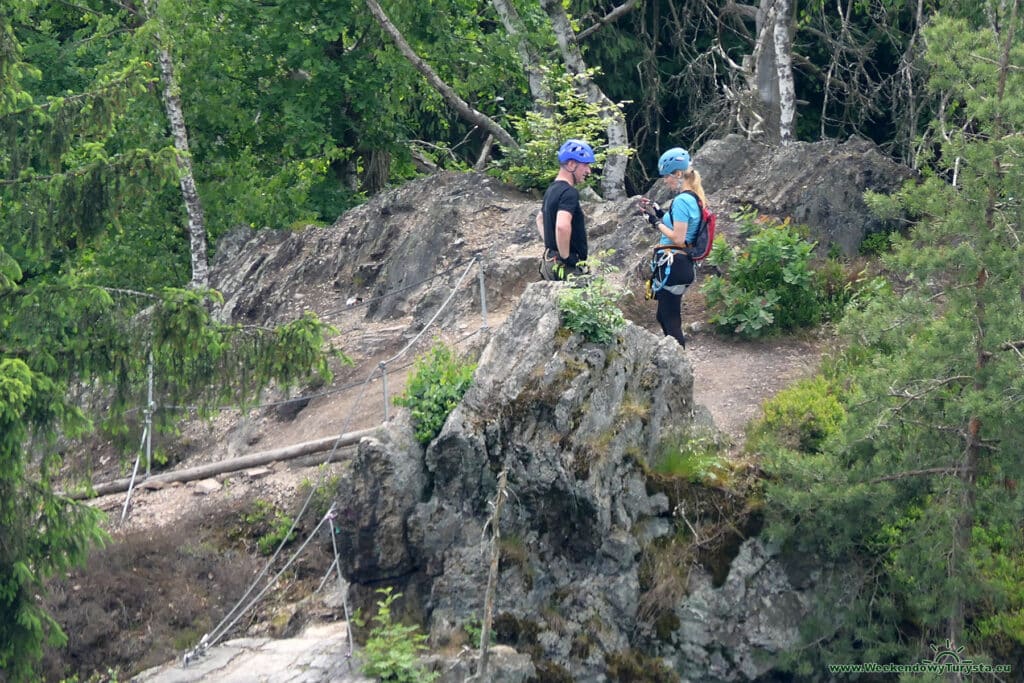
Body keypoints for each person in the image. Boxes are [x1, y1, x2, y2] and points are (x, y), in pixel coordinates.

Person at [637, 147, 707, 348]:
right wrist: (658, 212)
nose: (665, 181)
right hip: (680, 265)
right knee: (664, 315)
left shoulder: (682, 200)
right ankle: (676, 362)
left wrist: (654, 222)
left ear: (678, 174)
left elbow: (678, 237)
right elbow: (678, 224)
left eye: (667, 176)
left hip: (674, 265)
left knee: (670, 319)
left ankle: (679, 367)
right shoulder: (693, 197)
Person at [536, 139, 595, 281]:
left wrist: (552, 246)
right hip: (566, 267)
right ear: (571, 164)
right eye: (585, 164)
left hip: (550, 261)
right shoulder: (569, 193)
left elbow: (540, 219)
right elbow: (562, 226)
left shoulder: (551, 189)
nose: (588, 170)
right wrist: (566, 257)